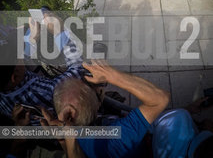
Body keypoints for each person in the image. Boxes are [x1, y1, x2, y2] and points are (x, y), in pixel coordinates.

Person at [41, 60, 170, 158]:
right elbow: (160, 99)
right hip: (149, 146)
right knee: (179, 118)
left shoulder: (75, 137)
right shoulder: (116, 135)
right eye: (93, 87)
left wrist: (63, 140)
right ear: (98, 104)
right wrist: (112, 75)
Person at [0, 15, 83, 126]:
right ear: (14, 76)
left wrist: (32, 39)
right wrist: (60, 33)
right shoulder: (38, 92)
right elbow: (78, 69)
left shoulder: (6, 90)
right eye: (17, 56)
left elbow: (20, 62)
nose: (21, 55)